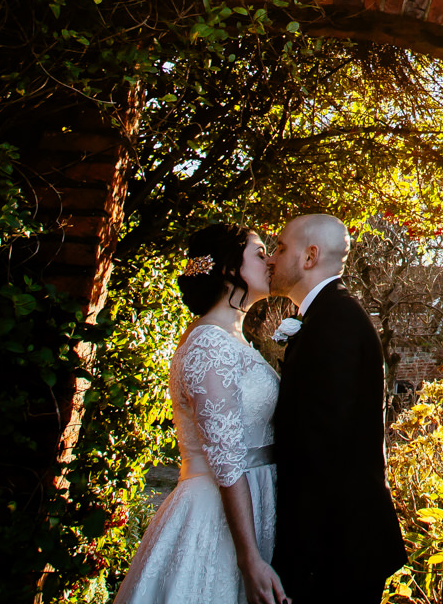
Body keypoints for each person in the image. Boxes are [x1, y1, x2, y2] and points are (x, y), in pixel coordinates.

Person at [116, 224, 289, 604]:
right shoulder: (209, 343)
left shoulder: (232, 338)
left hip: (253, 502)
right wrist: (249, 559)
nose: (270, 262)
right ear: (228, 269)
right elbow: (226, 460)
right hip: (215, 515)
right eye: (260, 254)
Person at [268, 213, 409, 600]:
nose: (272, 258)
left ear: (309, 256)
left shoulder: (336, 322)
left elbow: (322, 447)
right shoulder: (326, 314)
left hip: (337, 552)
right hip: (334, 546)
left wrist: (301, 560)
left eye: (280, 247)